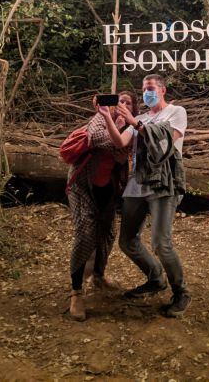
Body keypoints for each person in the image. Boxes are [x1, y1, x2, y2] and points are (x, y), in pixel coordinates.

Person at [98, 74, 191, 318]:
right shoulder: (138, 117)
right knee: (127, 241)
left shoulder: (176, 112)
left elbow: (167, 142)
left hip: (163, 183)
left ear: (162, 90)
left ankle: (181, 292)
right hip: (137, 183)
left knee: (161, 242)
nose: (146, 93)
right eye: (144, 89)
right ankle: (155, 277)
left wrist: (136, 124)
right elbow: (120, 141)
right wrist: (107, 116)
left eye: (150, 88)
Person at [68, 91, 138, 321]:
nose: (123, 105)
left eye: (128, 103)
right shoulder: (100, 117)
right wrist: (113, 127)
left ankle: (98, 276)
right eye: (120, 101)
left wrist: (122, 137)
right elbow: (98, 138)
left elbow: (123, 153)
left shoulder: (132, 126)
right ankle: (76, 292)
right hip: (82, 185)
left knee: (108, 233)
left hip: (107, 188)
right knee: (86, 234)